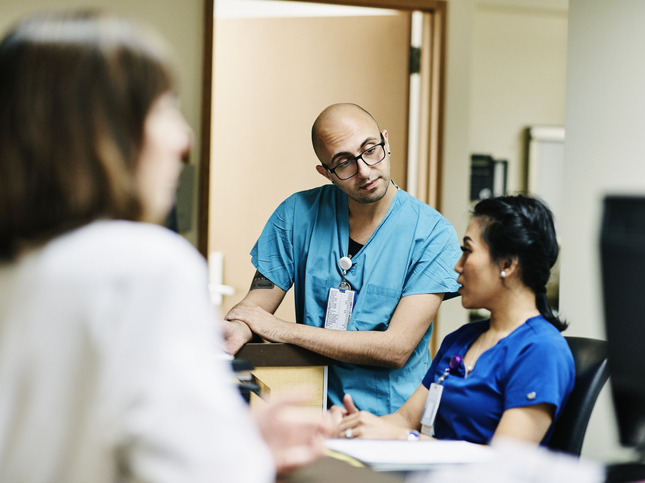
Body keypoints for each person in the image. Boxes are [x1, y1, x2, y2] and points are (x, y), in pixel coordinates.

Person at [0, 11, 329, 482]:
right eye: (163, 109)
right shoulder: (143, 266)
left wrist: (221, 439)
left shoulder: (20, 267)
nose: (184, 139)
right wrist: (250, 456)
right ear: (100, 131)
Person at [223, 103, 461, 416]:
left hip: (390, 421)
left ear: (385, 142)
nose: (364, 170)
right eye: (344, 163)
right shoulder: (297, 215)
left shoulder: (432, 234)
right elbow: (255, 308)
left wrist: (281, 329)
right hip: (313, 412)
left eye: (370, 150)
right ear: (326, 172)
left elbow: (396, 348)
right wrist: (238, 329)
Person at [335, 195, 575, 446]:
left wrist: (404, 438)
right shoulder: (462, 339)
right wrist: (350, 426)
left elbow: (503, 464)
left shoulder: (541, 351)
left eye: (467, 251)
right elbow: (405, 419)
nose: (457, 266)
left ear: (507, 263)